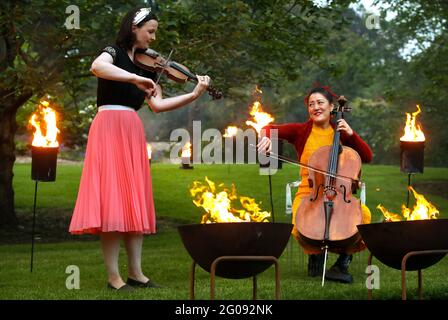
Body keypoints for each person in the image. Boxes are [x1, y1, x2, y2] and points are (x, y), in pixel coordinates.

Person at [69, 7, 211, 291]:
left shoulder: (147, 68)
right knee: (111, 201)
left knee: (132, 201)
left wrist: (193, 94)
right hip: (108, 125)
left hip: (131, 129)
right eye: (150, 31)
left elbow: (157, 106)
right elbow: (97, 67)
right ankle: (113, 277)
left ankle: (136, 273)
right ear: (134, 28)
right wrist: (132, 78)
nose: (154, 38)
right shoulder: (113, 52)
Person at [257, 86, 373, 284]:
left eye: (320, 103)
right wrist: (266, 137)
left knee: (363, 214)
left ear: (331, 107)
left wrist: (352, 134)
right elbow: (268, 128)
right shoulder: (300, 131)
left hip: (339, 191)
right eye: (311, 104)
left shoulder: (341, 132)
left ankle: (343, 261)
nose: (315, 107)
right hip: (309, 191)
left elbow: (367, 157)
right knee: (298, 221)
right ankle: (316, 255)